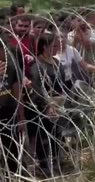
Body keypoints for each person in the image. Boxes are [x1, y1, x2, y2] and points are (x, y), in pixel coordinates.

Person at [26, 33, 66, 177]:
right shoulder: (37, 66)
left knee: (56, 133)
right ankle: (44, 166)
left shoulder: (56, 62)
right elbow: (37, 89)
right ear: (44, 47)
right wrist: (47, 106)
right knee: (44, 136)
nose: (57, 48)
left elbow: (64, 83)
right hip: (43, 106)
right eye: (54, 46)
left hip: (58, 103)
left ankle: (56, 161)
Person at [0, 38, 27, 177]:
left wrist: (21, 118)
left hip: (10, 113)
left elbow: (18, 93)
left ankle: (17, 174)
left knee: (13, 148)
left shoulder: (10, 67)